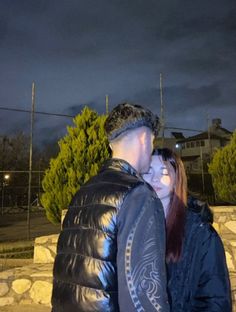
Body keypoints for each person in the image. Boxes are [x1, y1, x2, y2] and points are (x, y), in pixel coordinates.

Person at [51, 103, 170, 312]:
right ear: (144, 139)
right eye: (152, 141)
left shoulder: (83, 193)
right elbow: (144, 294)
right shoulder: (138, 195)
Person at [142, 148, 232, 311]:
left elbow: (215, 300)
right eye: (148, 171)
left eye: (164, 172)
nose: (155, 178)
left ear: (177, 179)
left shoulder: (201, 233)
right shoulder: (133, 228)